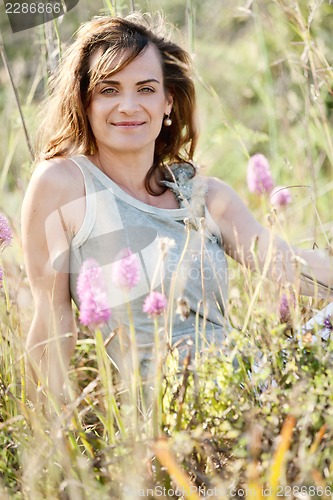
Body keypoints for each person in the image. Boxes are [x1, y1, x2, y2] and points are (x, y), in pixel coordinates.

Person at [21, 13, 333, 405]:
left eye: (146, 89)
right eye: (109, 89)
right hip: (161, 415)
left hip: (252, 388)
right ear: (84, 100)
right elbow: (52, 323)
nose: (129, 106)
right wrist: (45, 450)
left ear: (168, 101)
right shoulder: (63, 185)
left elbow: (289, 265)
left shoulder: (203, 195)